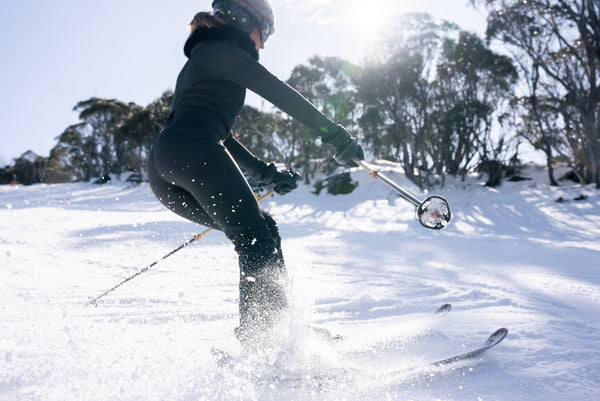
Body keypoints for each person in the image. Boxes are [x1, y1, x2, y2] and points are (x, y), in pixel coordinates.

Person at [147, 0, 364, 348]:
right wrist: (336, 135)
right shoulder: (225, 52)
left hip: (165, 165)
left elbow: (218, 133)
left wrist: (264, 171)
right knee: (254, 236)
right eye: (265, 32)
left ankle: (275, 332)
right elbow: (279, 93)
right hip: (190, 149)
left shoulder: (202, 59)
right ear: (244, 18)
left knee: (261, 229)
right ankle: (262, 341)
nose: (263, 43)